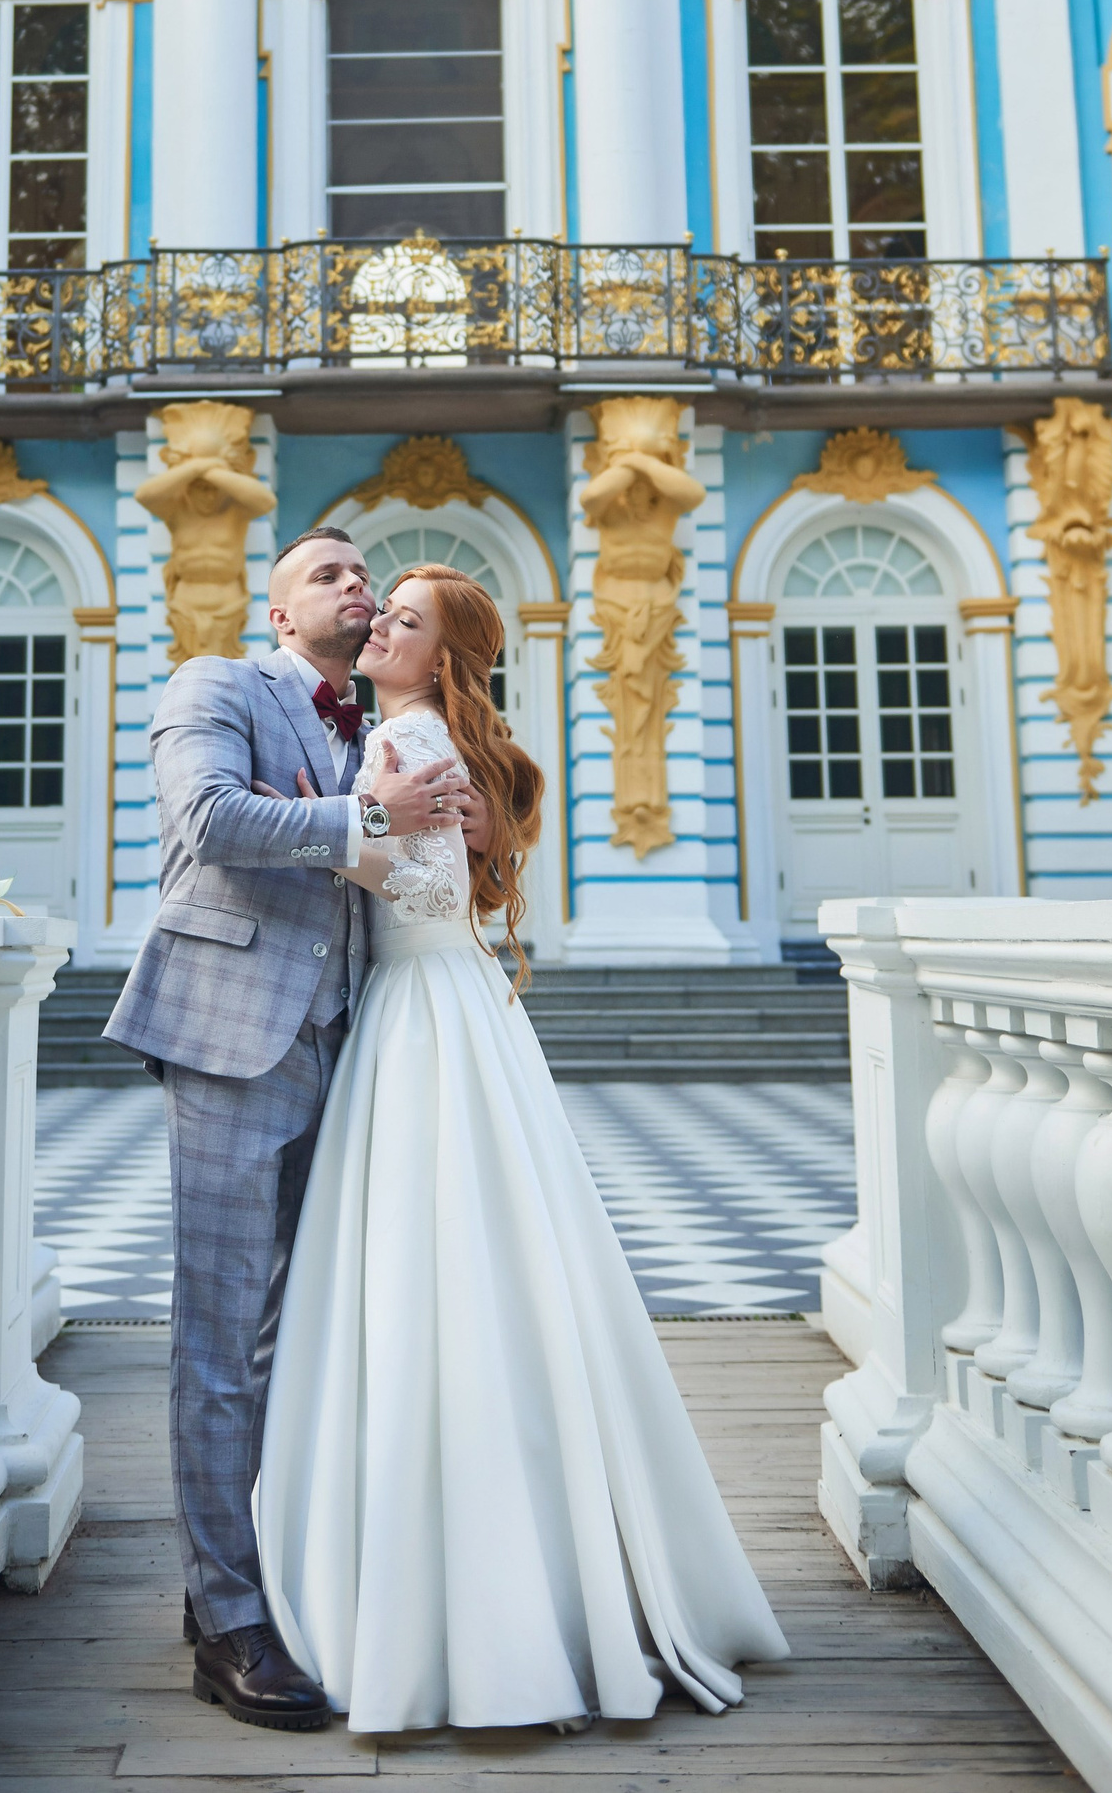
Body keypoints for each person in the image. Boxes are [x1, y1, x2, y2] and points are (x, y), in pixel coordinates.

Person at [255, 564, 789, 1735]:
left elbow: (425, 888)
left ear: (441, 657)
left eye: (405, 620)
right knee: (477, 1271)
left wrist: (339, 831)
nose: (379, 623)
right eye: (382, 608)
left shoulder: (410, 739)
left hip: (426, 1015)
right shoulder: (419, 736)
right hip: (443, 1007)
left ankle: (460, 1601)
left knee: (430, 1273)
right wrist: (354, 821)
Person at [102, 529, 487, 1732]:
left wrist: (450, 825)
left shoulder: (379, 721)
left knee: (313, 1331)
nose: (355, 583)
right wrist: (368, 809)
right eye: (327, 571)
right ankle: (225, 1617)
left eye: (364, 572)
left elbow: (409, 861)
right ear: (277, 612)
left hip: (356, 1046)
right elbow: (211, 817)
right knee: (222, 1337)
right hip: (231, 1033)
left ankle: (294, 1575)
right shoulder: (215, 682)